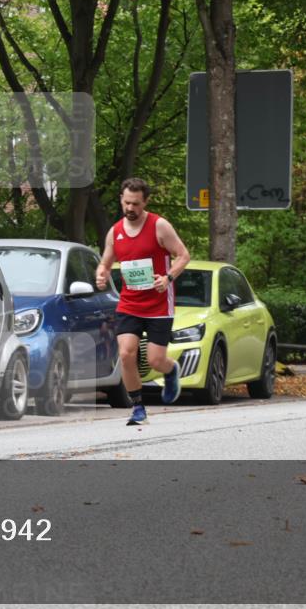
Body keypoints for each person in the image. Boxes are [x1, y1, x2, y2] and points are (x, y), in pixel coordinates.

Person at [95, 178, 191, 426]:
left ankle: (170, 371)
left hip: (159, 303)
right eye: (127, 202)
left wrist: (168, 277)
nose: (130, 208)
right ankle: (138, 407)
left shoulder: (159, 226)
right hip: (130, 302)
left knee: (155, 360)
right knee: (126, 354)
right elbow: (106, 261)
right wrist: (102, 272)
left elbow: (183, 255)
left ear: (145, 202)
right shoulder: (115, 232)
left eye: (136, 204)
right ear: (121, 200)